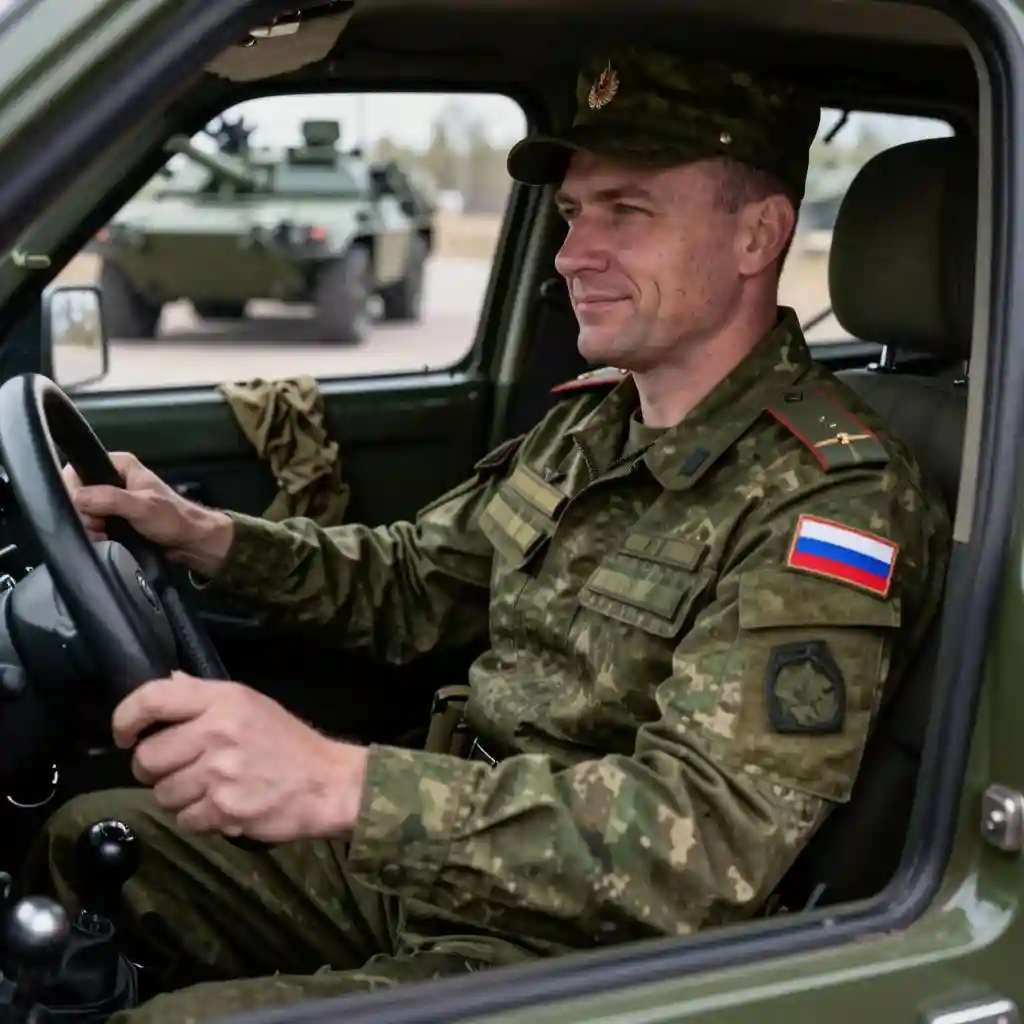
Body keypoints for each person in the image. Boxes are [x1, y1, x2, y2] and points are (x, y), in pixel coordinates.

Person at [28, 47, 952, 1022]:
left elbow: (705, 845)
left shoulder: (832, 500)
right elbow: (417, 582)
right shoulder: (593, 421)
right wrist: (203, 535)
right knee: (90, 843)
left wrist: (344, 783)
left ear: (757, 235)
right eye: (573, 214)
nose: (571, 254)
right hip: (437, 858)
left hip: (587, 953)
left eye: (626, 212)